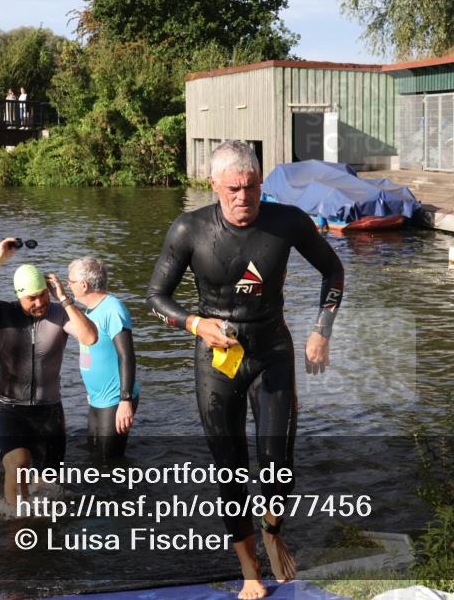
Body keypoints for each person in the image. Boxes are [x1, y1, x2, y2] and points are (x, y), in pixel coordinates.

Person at [146, 140, 344, 600]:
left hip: (272, 348)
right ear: (213, 185)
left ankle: (273, 530)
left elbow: (333, 271)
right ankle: (250, 570)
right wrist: (195, 323)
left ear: (261, 183)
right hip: (218, 361)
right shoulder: (188, 229)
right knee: (230, 469)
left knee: (277, 465)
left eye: (251, 187)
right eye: (233, 188)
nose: (243, 198)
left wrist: (321, 330)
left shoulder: (287, 222)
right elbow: (155, 298)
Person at [0, 239, 98, 505]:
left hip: (49, 415)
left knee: (51, 490)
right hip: (9, 410)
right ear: (18, 296)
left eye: (42, 294)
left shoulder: (59, 313)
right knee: (19, 464)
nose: (38, 303)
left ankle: (43, 536)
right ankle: (17, 526)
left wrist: (63, 297)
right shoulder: (3, 313)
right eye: (31, 298)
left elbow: (90, 336)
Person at [67, 256, 138, 460]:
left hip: (116, 398)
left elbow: (127, 356)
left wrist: (126, 401)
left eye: (70, 282)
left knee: (110, 463)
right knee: (95, 458)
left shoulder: (113, 309)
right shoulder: (90, 311)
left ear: (84, 285)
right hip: (98, 398)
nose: (69, 286)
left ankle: (130, 492)